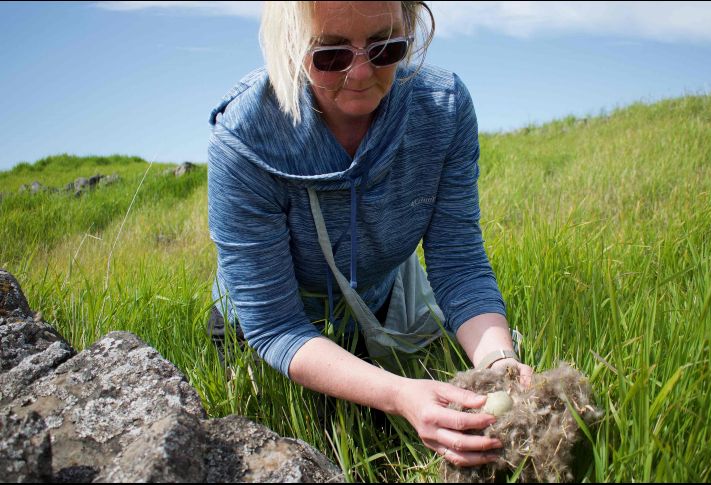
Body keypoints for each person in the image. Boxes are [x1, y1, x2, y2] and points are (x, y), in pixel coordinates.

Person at [207, 1, 533, 468]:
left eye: (386, 47)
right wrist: (399, 393)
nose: (360, 73)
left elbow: (459, 265)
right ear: (291, 44)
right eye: (331, 54)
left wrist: (498, 362)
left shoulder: (442, 110)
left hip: (372, 306)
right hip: (267, 332)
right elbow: (275, 324)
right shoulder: (242, 141)